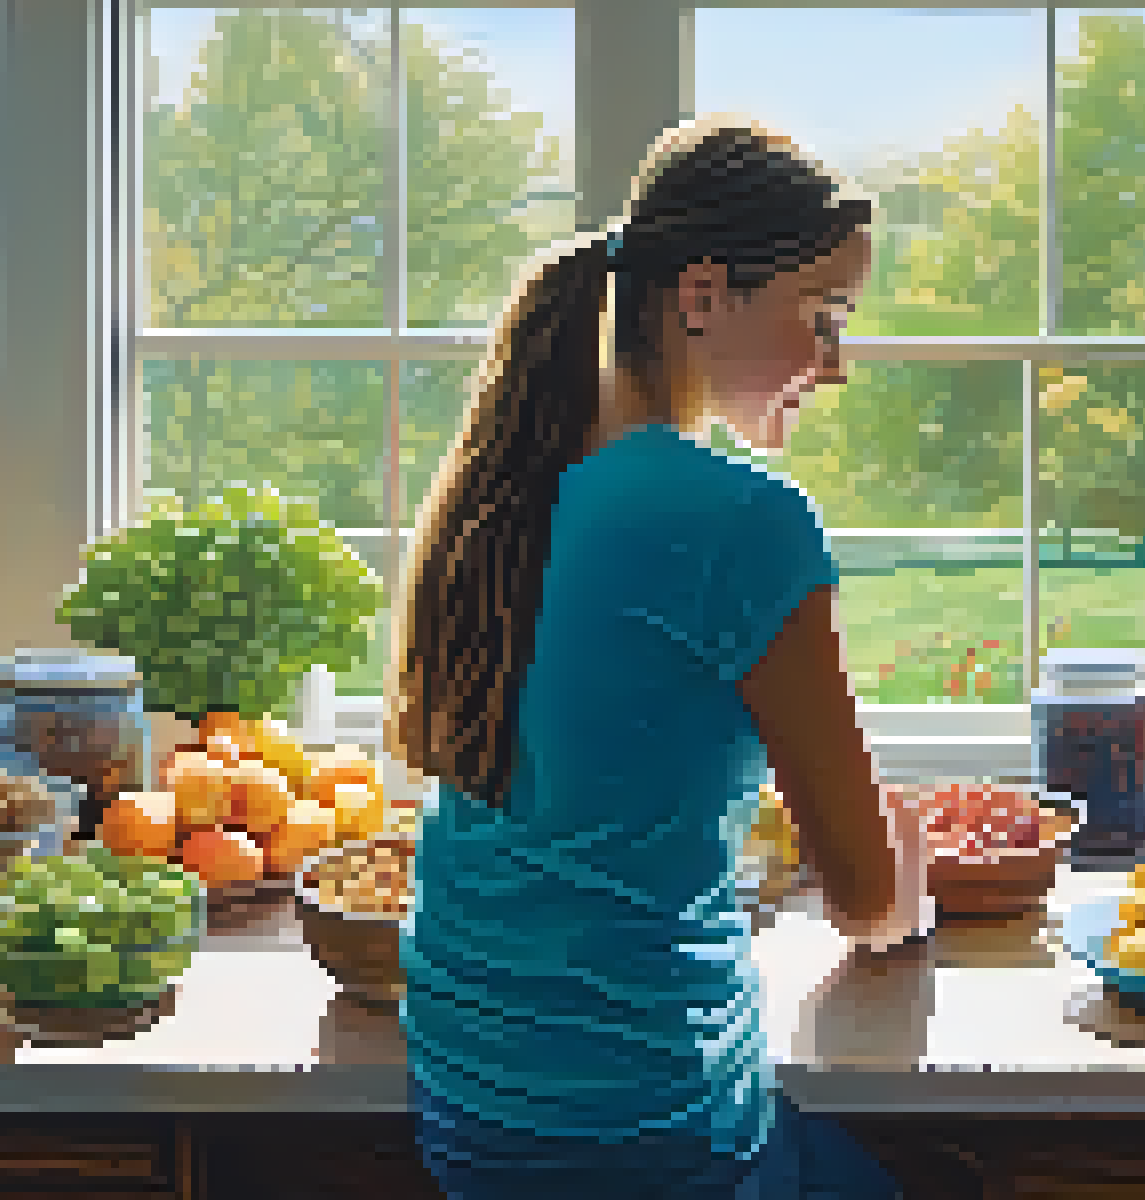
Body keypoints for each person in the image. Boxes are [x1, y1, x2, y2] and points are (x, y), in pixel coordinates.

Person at [387, 114, 930, 1199]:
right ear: (700, 295)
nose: (835, 362)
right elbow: (867, 901)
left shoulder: (500, 490)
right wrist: (909, 873)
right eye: (819, 316)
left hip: (463, 1108)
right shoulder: (745, 522)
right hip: (644, 1129)